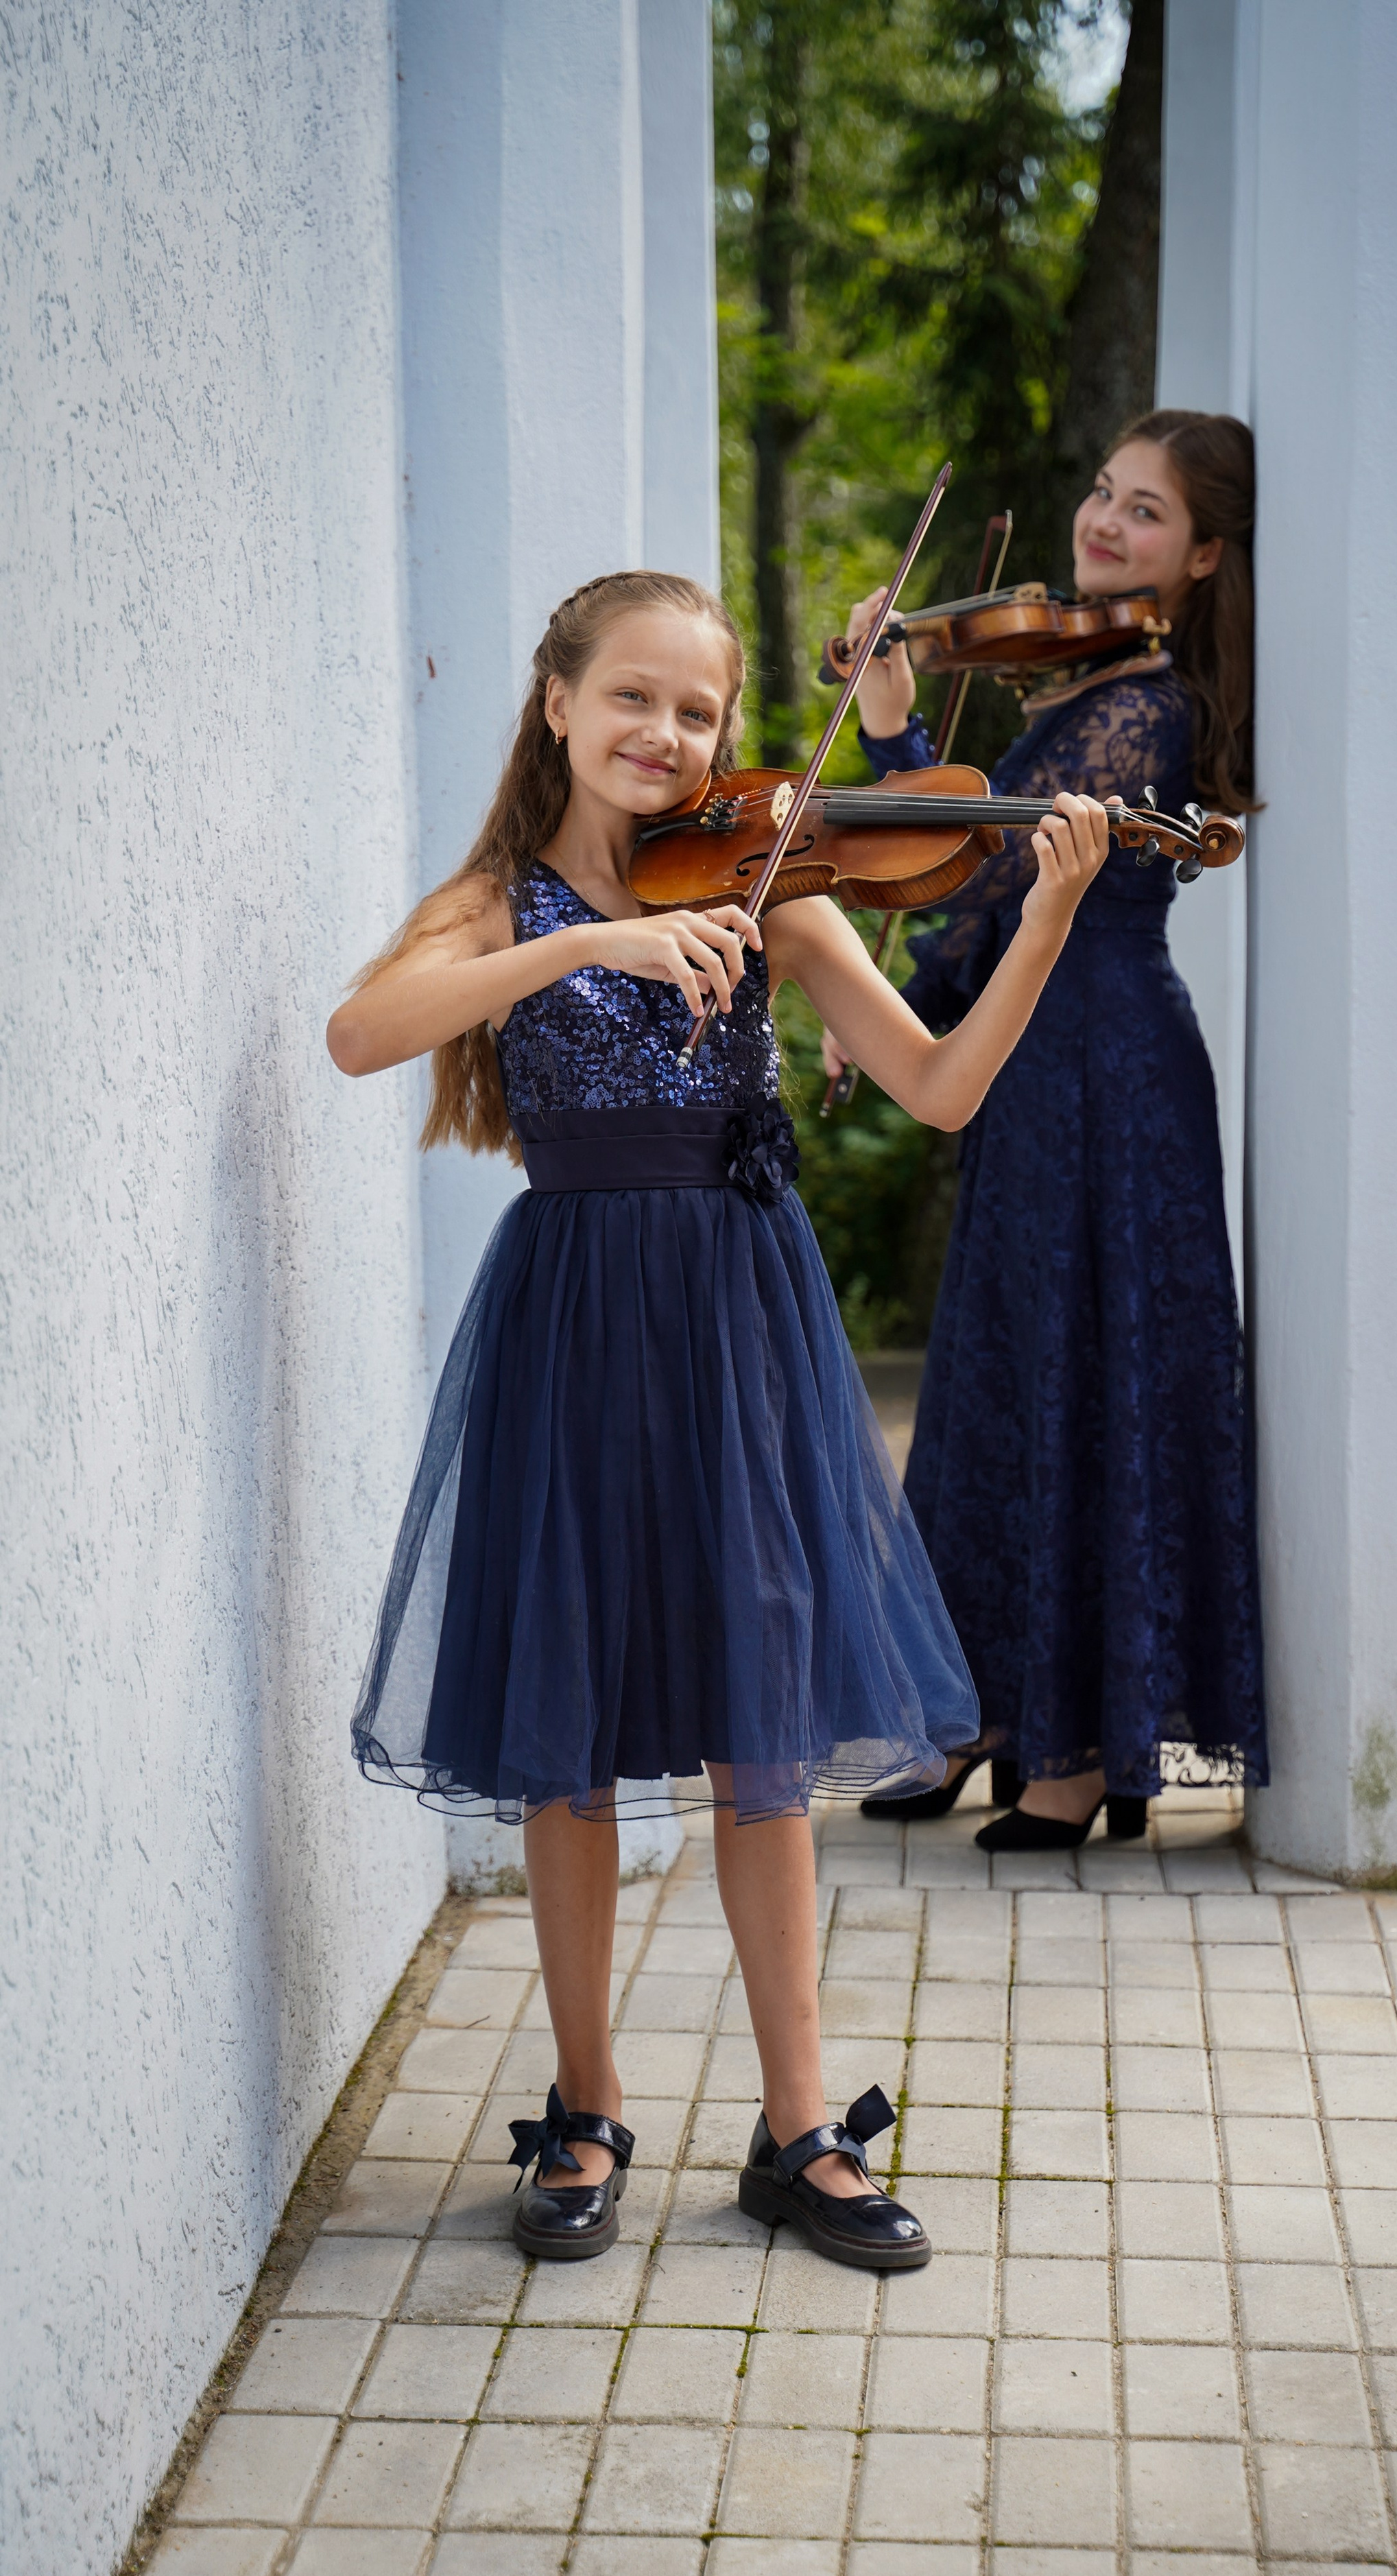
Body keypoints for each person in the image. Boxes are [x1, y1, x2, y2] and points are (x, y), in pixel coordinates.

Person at [327, 569, 1112, 2271]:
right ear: (555, 703)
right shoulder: (498, 898)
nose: (665, 736)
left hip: (742, 1327)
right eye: (633, 699)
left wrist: (1040, 923)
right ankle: (587, 2105)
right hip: (573, 1326)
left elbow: (938, 1086)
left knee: (764, 1735)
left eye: (696, 712)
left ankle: (798, 2130)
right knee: (569, 1722)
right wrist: (588, 940)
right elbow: (357, 1033)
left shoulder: (772, 881)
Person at [834, 410, 1269, 1850]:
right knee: (998, 1377)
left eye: (1144, 512)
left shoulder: (1148, 713)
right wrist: (898, 715)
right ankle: (980, 1716)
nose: (1102, 522)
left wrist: (896, 724)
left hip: (1111, 1078)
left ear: (1202, 557)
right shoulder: (1079, 686)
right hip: (1035, 1069)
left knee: (1088, 1378)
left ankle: (1075, 1751)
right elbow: (963, 891)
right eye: (1099, 489)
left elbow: (970, 888)